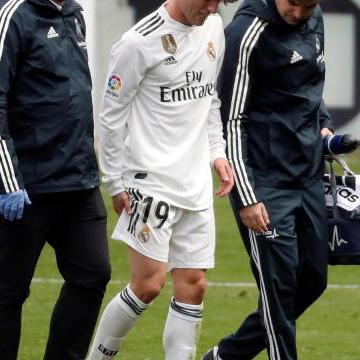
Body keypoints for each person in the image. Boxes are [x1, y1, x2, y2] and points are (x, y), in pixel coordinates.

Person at [86, 0, 235, 358]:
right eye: (207, 0)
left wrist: (217, 152)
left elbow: (209, 97)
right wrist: (114, 182)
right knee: (147, 285)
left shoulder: (213, 26)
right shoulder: (138, 42)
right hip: (149, 181)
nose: (213, 8)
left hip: (195, 183)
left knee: (194, 286)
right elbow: (110, 115)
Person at [0, 0, 111, 359]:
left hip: (77, 181)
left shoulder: (73, 14)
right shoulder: (8, 17)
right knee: (10, 290)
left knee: (93, 274)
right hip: (24, 186)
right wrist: (8, 178)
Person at [202, 0, 332, 359]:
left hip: (307, 175)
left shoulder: (313, 17)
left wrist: (324, 124)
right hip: (265, 183)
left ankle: (226, 356)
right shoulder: (245, 34)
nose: (299, 14)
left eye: (308, 6)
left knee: (313, 281)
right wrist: (247, 197)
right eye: (294, 4)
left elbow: (310, 86)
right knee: (278, 293)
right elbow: (230, 121)